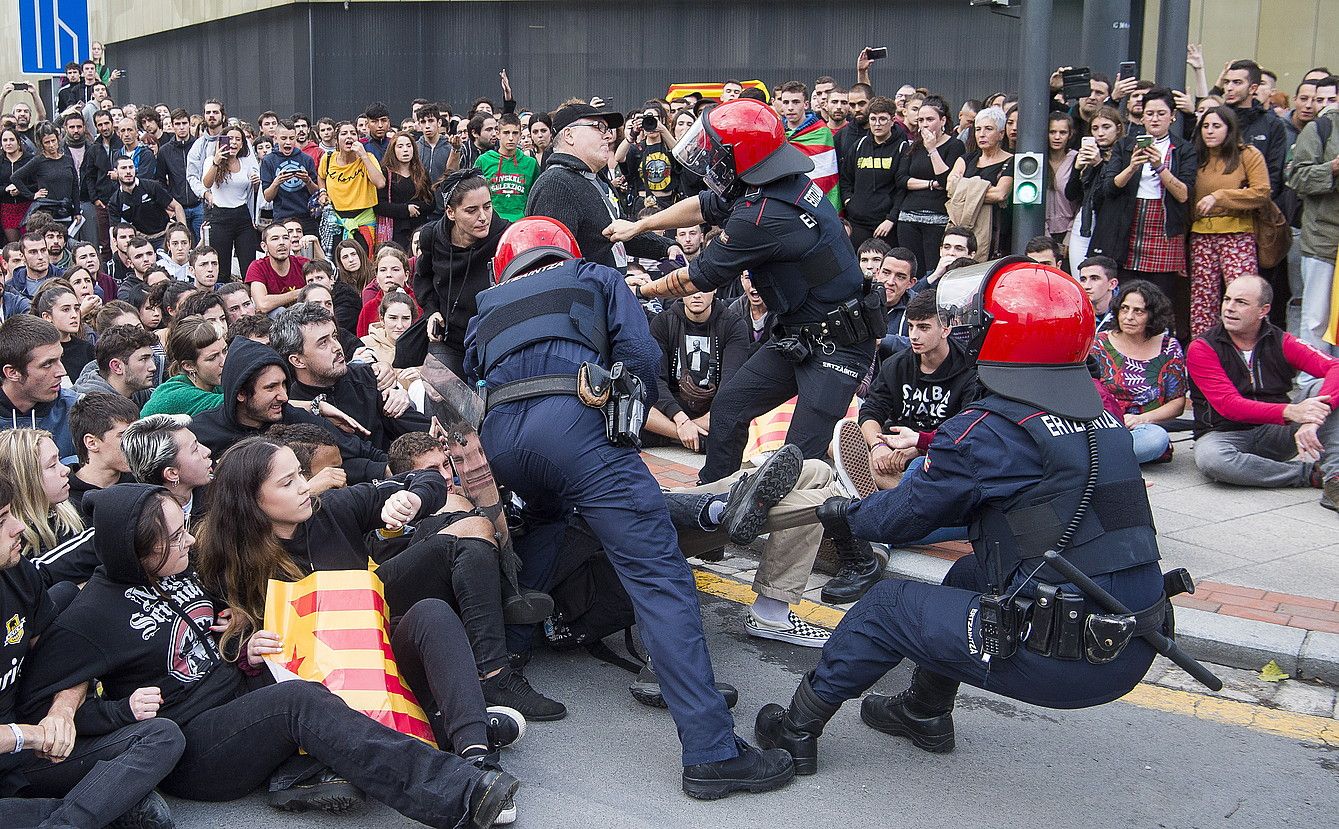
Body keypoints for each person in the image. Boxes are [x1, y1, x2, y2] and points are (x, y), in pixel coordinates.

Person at [756, 259, 1171, 776]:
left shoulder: (992, 432)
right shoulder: (1104, 422)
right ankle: (923, 711)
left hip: (1065, 659)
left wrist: (845, 514)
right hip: (1135, 642)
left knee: (886, 605)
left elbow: (902, 518)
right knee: (968, 574)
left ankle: (795, 730)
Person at [465, 216, 794, 797]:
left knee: (544, 521)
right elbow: (641, 357)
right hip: (570, 424)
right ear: (564, 251)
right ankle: (711, 751)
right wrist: (624, 412)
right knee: (660, 577)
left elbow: (474, 382)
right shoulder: (593, 275)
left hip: (501, 440)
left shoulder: (486, 305)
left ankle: (511, 660)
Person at [16, 481, 518, 828]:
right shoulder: (92, 616)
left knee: (326, 658)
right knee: (299, 702)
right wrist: (111, 712)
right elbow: (44, 711)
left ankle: (448, 730)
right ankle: (459, 794)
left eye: (184, 526)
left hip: (241, 689)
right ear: (134, 553)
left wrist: (242, 644)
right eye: (172, 540)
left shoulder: (185, 570)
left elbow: (212, 631)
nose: (188, 540)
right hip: (194, 744)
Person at [606, 98, 877, 490]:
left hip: (839, 346)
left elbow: (695, 278)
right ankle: (710, 505)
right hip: (799, 336)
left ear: (743, 156)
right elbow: (702, 206)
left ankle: (855, 542)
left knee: (800, 458)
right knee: (730, 408)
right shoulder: (771, 183)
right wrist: (641, 225)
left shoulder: (762, 217)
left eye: (718, 154)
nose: (712, 163)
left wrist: (638, 290)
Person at [0, 472, 184, 829]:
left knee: (161, 735)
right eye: (2, 520)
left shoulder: (17, 575)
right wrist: (29, 733)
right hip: (20, 741)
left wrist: (62, 711)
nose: (18, 527)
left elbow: (68, 662)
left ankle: (77, 812)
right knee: (135, 810)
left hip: (28, 758)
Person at [1187, 276, 1339, 503]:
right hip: (1223, 435)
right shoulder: (1202, 347)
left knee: (1324, 391)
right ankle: (1313, 475)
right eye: (1227, 299)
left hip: (1276, 432)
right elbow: (1229, 406)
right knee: (1213, 460)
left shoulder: (1281, 340)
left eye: (1241, 302)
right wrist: (1291, 412)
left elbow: (1334, 366)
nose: (1229, 308)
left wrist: (1313, 418)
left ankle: (1335, 478)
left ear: (1263, 310)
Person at [835, 287, 983, 499]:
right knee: (838, 447)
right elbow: (870, 412)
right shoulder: (896, 364)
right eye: (911, 327)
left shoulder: (969, 370)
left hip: (938, 451)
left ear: (946, 329)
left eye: (923, 327)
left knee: (932, 465)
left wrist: (918, 446)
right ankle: (899, 493)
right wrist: (878, 446)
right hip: (891, 448)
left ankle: (889, 494)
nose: (914, 336)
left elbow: (965, 431)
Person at [188, 335, 387, 482]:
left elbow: (355, 451)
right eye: (270, 387)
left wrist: (389, 472)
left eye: (284, 384)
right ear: (241, 393)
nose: (283, 396)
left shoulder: (294, 417)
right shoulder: (202, 434)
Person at [1095, 87, 1197, 339]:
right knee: (1127, 292)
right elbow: (1110, 187)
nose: (1154, 118)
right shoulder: (1125, 146)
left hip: (1164, 224)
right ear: (1141, 117)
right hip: (1129, 223)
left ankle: (1160, 348)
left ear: (1172, 116)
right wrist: (1132, 166)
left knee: (1161, 298)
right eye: (1149, 113)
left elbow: (1184, 194)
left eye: (1161, 113)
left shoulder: (1183, 148)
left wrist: (1159, 166)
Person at [525, 102, 672, 273]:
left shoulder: (594, 178)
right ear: (569, 135)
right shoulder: (556, 185)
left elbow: (622, 233)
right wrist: (609, 284)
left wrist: (667, 248)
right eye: (598, 127)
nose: (608, 136)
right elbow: (555, 268)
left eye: (607, 129)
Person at [275, 302, 426, 451]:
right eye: (323, 343)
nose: (337, 347)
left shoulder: (365, 377)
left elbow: (415, 426)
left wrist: (399, 396)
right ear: (297, 360)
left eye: (334, 336)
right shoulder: (294, 410)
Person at [401, 169, 507, 377]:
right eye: (471, 210)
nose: (483, 217)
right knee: (437, 396)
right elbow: (423, 276)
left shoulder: (506, 237)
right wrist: (431, 311)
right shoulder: (432, 236)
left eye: (487, 207)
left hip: (494, 343)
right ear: (451, 212)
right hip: (449, 340)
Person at [1189, 106, 1271, 337]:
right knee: (1202, 304)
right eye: (1205, 126)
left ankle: (1251, 352)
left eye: (1216, 126)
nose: (1210, 131)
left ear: (1230, 128)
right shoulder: (1197, 157)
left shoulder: (1247, 154)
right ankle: (1201, 354)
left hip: (1237, 234)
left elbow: (1262, 192)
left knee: (1245, 298)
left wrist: (1220, 196)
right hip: (1201, 235)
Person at [1090, 280, 1187, 464]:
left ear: (1152, 315)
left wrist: (1142, 419)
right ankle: (1112, 459)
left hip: (1144, 428)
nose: (1128, 317)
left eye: (1138, 311)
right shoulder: (1099, 343)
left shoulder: (1169, 347)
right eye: (1124, 309)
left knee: (1156, 439)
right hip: (1104, 424)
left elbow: (1177, 403)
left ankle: (1100, 460)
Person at [644, 289, 748, 452]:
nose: (696, 295)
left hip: (713, 409)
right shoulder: (663, 322)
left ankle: (673, 434)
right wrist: (681, 420)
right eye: (691, 289)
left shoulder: (732, 324)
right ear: (681, 289)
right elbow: (655, 379)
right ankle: (688, 435)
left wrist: (709, 417)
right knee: (637, 405)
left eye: (703, 288)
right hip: (671, 408)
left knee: (741, 408)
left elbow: (731, 379)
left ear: (714, 289)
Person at [0, 427, 98, 586]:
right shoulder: (13, 540)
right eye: (52, 465)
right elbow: (32, 580)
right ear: (26, 479)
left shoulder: (75, 510)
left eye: (59, 460)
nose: (65, 469)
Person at [1285, 81, 1339, 357]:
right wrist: (1332, 168)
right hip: (1323, 239)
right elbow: (1297, 177)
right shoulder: (1320, 128)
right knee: (1315, 318)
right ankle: (1313, 384)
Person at [894, 96, 968, 273]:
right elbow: (901, 179)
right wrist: (929, 184)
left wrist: (932, 149)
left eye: (930, 119)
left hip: (937, 218)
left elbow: (946, 182)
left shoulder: (955, 145)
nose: (924, 124)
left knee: (933, 269)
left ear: (942, 120)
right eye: (921, 120)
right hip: (908, 217)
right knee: (910, 269)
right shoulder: (913, 146)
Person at [0, 316, 79, 462]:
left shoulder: (77, 411)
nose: (62, 371)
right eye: (48, 364)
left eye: (60, 359)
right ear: (13, 373)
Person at [120, 413, 215, 525]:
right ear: (171, 473)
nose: (207, 451)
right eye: (195, 449)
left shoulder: (221, 494)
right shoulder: (140, 523)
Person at [947, 106, 1013, 260]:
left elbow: (1000, 194)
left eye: (988, 129)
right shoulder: (966, 158)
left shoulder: (1011, 161)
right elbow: (950, 188)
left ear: (1001, 134)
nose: (981, 134)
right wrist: (983, 187)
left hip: (996, 230)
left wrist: (964, 187)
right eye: (978, 129)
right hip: (961, 228)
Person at [840, 96, 907, 247]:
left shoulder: (902, 148)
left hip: (886, 224)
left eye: (882, 119)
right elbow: (845, 179)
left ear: (893, 120)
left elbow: (902, 189)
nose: (877, 124)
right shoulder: (859, 146)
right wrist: (849, 201)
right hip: (857, 222)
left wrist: (891, 219)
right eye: (873, 119)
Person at [1066, 106, 1124, 271]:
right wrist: (1077, 169)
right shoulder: (1085, 154)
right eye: (1095, 128)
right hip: (1085, 219)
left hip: (1110, 221)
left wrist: (1099, 164)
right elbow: (1071, 194)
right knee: (1080, 273)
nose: (1100, 133)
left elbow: (1108, 192)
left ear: (1118, 128)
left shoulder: (1123, 154)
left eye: (1106, 127)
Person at [201, 125, 261, 279]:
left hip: (242, 215)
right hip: (220, 216)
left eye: (238, 139)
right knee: (222, 268)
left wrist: (255, 182)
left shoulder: (246, 163)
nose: (233, 142)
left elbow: (251, 193)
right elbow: (207, 184)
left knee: (249, 265)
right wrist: (216, 162)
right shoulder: (211, 160)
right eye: (230, 139)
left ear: (242, 144)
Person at [65, 392, 138, 517]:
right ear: (92, 443)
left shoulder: (141, 483)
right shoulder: (65, 499)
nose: (135, 442)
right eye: (125, 435)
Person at [317, 120, 386, 251]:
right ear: (337, 140)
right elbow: (321, 176)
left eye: (353, 133)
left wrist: (363, 156)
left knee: (364, 262)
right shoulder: (328, 158)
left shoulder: (368, 158)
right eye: (344, 133)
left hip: (363, 221)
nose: (349, 136)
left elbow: (380, 183)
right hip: (336, 221)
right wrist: (322, 192)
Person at [140, 315, 227, 416]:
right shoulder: (176, 396)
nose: (224, 361)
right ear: (189, 366)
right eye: (212, 358)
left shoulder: (214, 382)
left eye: (225, 351)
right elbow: (234, 403)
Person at [475, 113, 539, 223]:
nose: (511, 138)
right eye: (506, 133)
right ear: (498, 134)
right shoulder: (483, 161)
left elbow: (536, 198)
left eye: (515, 133)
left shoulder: (531, 163)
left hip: (521, 223)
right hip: (491, 223)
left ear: (520, 135)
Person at [106, 157, 186, 244]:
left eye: (131, 167)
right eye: (124, 168)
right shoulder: (114, 201)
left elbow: (177, 206)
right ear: (115, 171)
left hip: (163, 236)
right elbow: (114, 230)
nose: (128, 171)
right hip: (139, 241)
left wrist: (184, 233)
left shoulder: (152, 186)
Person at [259, 120, 320, 234]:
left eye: (291, 138)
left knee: (310, 250)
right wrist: (277, 182)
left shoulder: (306, 159)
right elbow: (267, 197)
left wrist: (307, 181)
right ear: (276, 138)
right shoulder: (269, 160)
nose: (288, 142)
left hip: (306, 218)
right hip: (282, 217)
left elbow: (316, 192)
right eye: (284, 138)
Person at [72, 324, 157, 404]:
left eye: (151, 358)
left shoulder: (139, 393)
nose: (153, 367)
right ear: (117, 366)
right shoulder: (92, 408)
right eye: (143, 359)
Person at [33, 281, 94, 380]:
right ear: (47, 317)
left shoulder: (87, 349)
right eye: (66, 309)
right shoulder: (36, 350)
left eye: (77, 309)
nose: (74, 315)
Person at [362, 291, 421, 390]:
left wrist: (422, 376)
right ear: (382, 319)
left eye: (405, 318)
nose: (399, 325)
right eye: (393, 318)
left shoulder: (423, 346)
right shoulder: (365, 345)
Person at [246, 223, 309, 314]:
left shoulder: (302, 263)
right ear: (264, 246)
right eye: (275, 239)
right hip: (273, 323)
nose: (282, 242)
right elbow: (262, 305)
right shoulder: (258, 266)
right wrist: (298, 293)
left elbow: (326, 278)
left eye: (285, 238)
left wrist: (316, 244)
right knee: (278, 312)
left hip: (304, 317)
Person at [0, 127, 33, 243]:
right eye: (5, 140)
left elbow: (37, 184)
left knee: (29, 242)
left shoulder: (30, 159)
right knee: (14, 245)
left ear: (18, 142)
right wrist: (5, 189)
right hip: (7, 208)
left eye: (11, 140)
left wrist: (22, 190)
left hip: (27, 207)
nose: (8, 143)